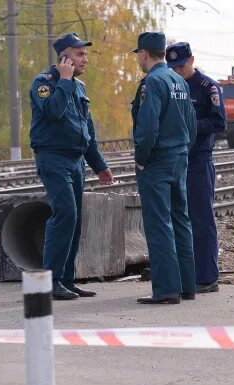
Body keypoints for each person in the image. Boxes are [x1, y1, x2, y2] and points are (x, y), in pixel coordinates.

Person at [28, 33, 115, 301]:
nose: (85, 59)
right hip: (53, 158)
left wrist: (99, 164)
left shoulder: (79, 87)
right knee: (64, 213)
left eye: (85, 54)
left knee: (74, 220)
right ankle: (49, 282)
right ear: (64, 57)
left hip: (75, 161)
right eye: (80, 54)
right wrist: (65, 81)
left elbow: (86, 131)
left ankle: (66, 280)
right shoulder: (44, 83)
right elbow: (53, 111)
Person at [130, 32, 198, 304]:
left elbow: (147, 127)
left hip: (157, 161)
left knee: (159, 224)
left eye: (138, 54)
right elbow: (191, 125)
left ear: (144, 54)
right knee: (181, 219)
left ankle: (166, 289)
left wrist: (141, 157)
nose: (138, 58)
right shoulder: (179, 81)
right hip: (179, 157)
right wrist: (183, 150)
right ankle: (186, 285)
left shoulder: (153, 82)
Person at [166, 42, 226, 295]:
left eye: (180, 66)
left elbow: (218, 122)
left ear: (191, 60)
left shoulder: (206, 87)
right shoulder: (168, 83)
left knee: (201, 220)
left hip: (198, 160)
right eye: (173, 67)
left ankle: (207, 277)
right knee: (180, 219)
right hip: (176, 160)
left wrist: (189, 126)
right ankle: (186, 274)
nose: (177, 71)